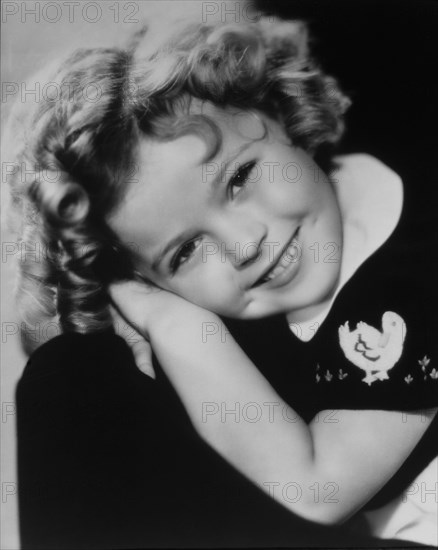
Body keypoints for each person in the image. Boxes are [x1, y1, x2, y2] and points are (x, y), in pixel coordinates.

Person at [6, 15, 437, 549]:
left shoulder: (414, 255)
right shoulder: (232, 322)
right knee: (67, 380)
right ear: (144, 277)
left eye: (239, 178)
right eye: (185, 251)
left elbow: (315, 490)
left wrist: (172, 322)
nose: (244, 244)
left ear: (278, 111)